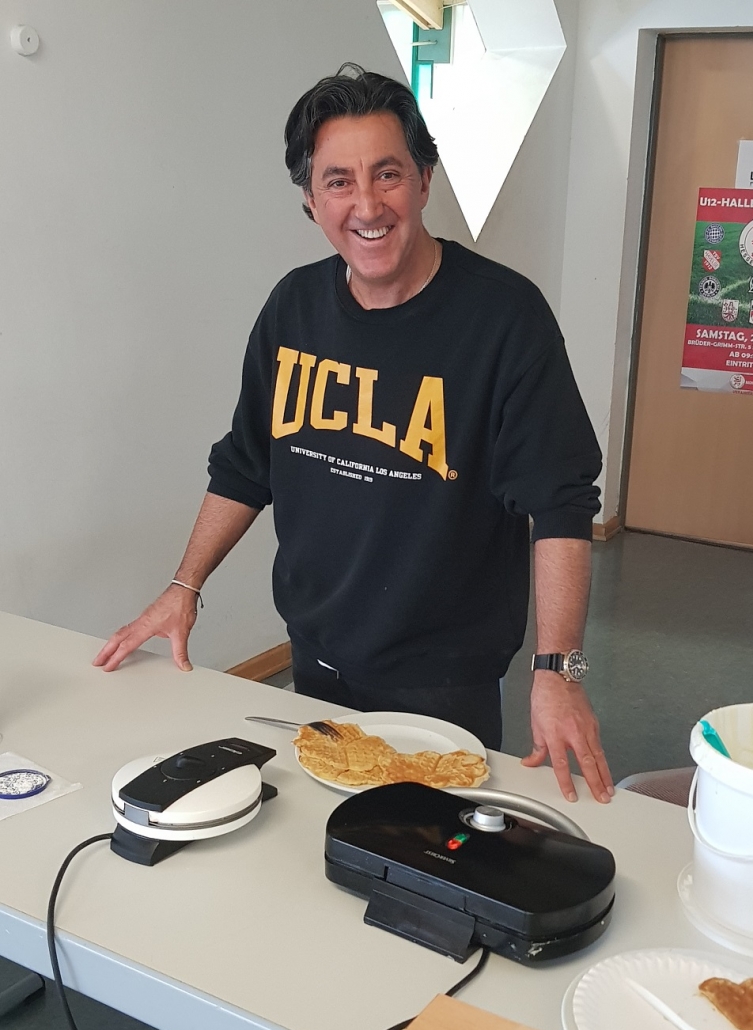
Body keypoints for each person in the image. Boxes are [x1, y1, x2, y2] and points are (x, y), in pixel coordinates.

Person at [93, 65, 613, 804]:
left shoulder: (504, 319)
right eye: (338, 181)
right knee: (315, 834)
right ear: (311, 201)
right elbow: (246, 464)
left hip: (444, 677)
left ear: (424, 180)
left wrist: (559, 672)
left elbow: (560, 502)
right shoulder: (294, 308)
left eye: (387, 174)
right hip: (315, 657)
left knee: (423, 850)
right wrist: (185, 586)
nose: (367, 205)